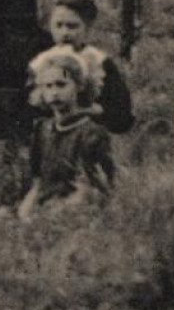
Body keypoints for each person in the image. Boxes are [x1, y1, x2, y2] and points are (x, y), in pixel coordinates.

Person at [18, 49, 116, 220]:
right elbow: (39, 183)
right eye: (48, 86)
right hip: (44, 209)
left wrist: (53, 216)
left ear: (79, 86)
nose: (54, 92)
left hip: (77, 212)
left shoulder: (91, 133)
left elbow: (92, 190)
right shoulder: (42, 129)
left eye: (61, 84)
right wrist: (24, 215)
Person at [30, 0, 135, 135]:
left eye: (72, 26)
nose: (64, 33)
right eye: (58, 25)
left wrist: (90, 111)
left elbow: (121, 113)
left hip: (89, 133)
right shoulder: (42, 61)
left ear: (88, 28)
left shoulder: (100, 62)